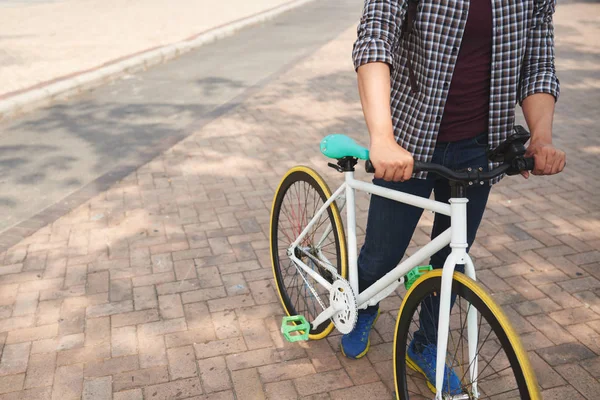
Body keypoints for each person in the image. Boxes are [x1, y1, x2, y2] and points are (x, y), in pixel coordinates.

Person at [341, 0, 566, 393]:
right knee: (383, 252)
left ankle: (427, 344)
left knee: (452, 259)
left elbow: (537, 59)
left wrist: (541, 137)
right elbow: (376, 38)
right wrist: (382, 139)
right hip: (409, 142)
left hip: (479, 147)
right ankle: (364, 303)